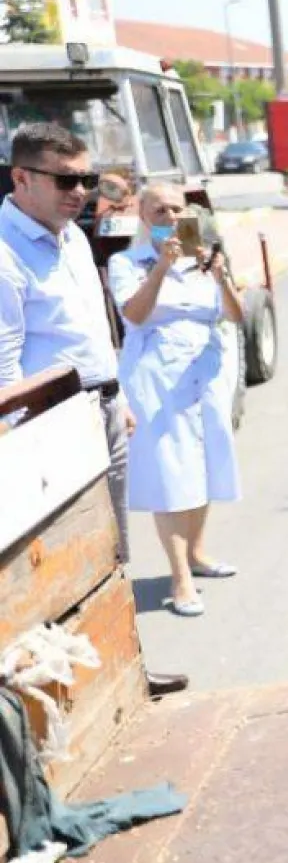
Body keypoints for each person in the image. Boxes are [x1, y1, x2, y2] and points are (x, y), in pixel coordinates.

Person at [0, 123, 188, 696]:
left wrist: (118, 393)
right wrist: (22, 444)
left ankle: (127, 670)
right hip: (50, 427)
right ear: (22, 178)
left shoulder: (73, 239)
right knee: (65, 563)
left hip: (101, 410)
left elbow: (95, 326)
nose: (80, 192)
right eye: (65, 180)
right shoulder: (5, 252)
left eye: (87, 179)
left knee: (114, 550)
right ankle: (82, 691)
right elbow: (5, 362)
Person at [106, 185, 244, 618]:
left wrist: (221, 277)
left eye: (175, 209)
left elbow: (236, 315)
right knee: (171, 471)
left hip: (207, 373)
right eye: (158, 210)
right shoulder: (128, 262)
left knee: (205, 462)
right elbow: (133, 314)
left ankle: (198, 552)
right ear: (143, 217)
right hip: (158, 378)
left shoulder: (204, 259)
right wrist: (162, 268)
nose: (168, 216)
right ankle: (180, 575)